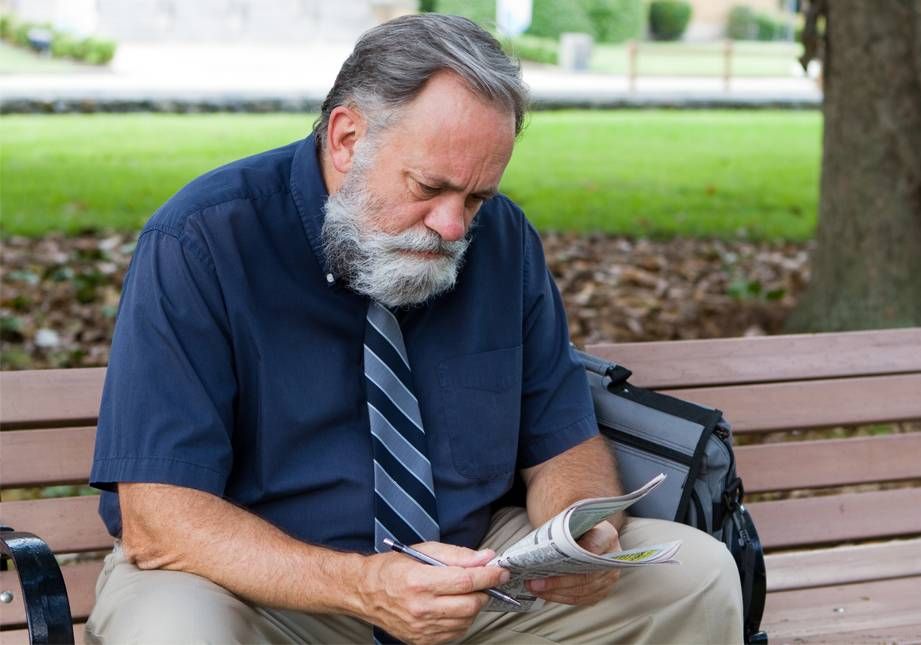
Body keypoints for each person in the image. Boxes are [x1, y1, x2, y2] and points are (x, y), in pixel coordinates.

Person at [86, 13, 742, 645]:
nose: (454, 225)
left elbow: (563, 443)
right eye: (430, 186)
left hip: (476, 579)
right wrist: (364, 584)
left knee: (697, 575)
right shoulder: (202, 241)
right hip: (263, 588)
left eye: (476, 196)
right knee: (171, 631)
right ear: (346, 140)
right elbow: (159, 518)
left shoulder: (504, 240)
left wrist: (578, 532)